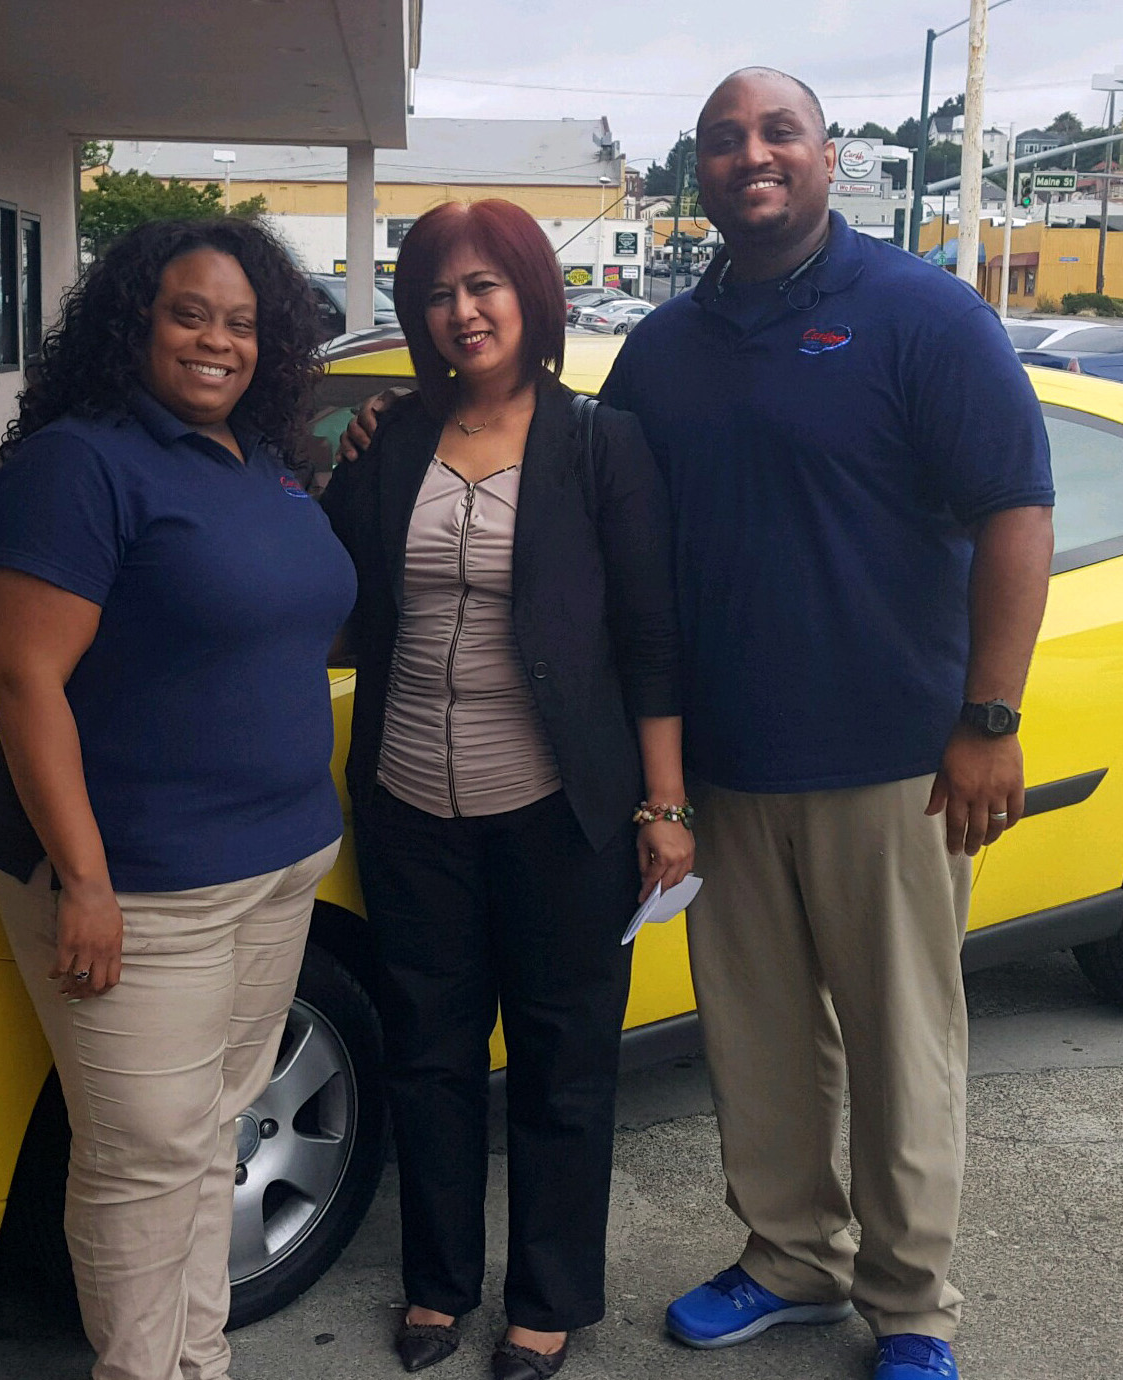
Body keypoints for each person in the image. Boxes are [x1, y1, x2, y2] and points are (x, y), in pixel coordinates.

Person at [603, 71, 1055, 1380]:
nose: (751, 155)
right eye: (723, 140)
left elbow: (1017, 510)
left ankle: (910, 1306)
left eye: (777, 132)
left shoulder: (924, 316)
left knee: (905, 1049)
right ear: (699, 172)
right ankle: (792, 1259)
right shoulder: (660, 353)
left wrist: (989, 718)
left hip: (896, 770)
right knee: (756, 1045)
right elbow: (599, 516)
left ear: (827, 155)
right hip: (727, 774)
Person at [0, 218, 355, 1380]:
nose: (216, 342)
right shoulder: (78, 464)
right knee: (143, 1160)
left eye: (241, 323)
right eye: (189, 315)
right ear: (133, 322)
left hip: (277, 865)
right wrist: (84, 882)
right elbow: (21, 679)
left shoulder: (260, 459)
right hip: (142, 885)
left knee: (209, 1137)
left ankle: (198, 1363)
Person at [321, 199, 691, 1380]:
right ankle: (437, 1283)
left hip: (559, 813)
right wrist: (340, 462)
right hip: (407, 805)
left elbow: (648, 637)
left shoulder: (599, 444)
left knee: (561, 1059)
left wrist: (665, 806)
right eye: (437, 292)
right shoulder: (390, 441)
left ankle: (547, 1298)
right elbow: (331, 592)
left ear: (532, 295)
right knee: (427, 1055)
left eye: (483, 285)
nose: (462, 311)